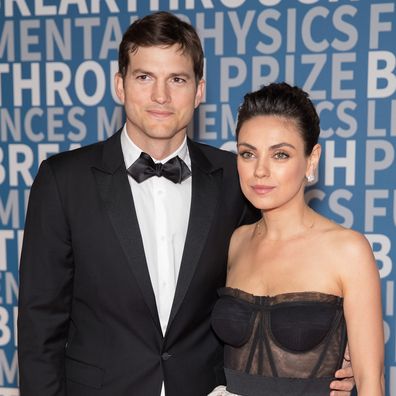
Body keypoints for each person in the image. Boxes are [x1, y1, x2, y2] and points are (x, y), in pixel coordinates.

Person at [17, 12, 355, 396]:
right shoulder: (64, 180)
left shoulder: (237, 178)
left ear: (199, 91)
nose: (161, 96)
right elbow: (39, 328)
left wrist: (346, 353)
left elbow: (292, 269)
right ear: (119, 85)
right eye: (144, 77)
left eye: (177, 79)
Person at [209, 82, 385, 396]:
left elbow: (371, 382)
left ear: (312, 158)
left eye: (280, 155)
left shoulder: (347, 250)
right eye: (248, 153)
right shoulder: (237, 241)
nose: (260, 171)